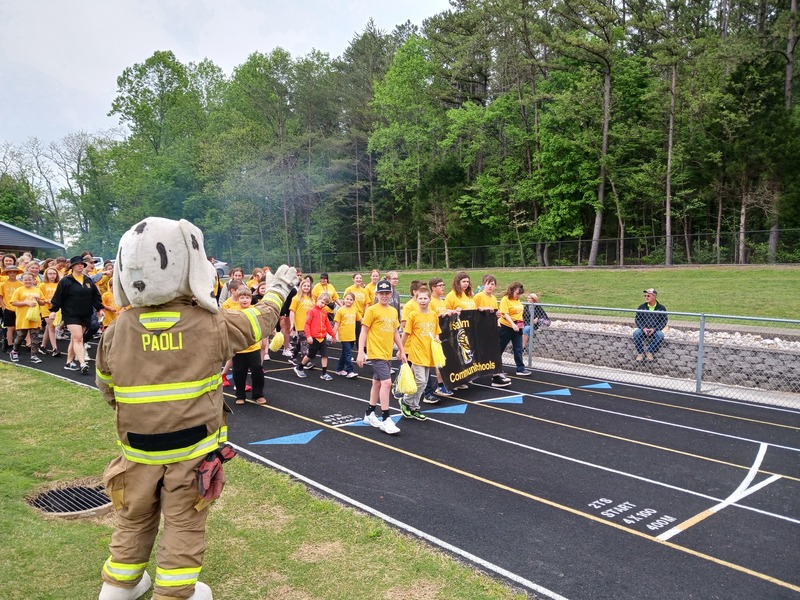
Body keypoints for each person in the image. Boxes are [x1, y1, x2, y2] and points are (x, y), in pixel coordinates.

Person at [95, 216, 297, 600]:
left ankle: (118, 587)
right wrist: (278, 290)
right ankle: (173, 593)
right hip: (192, 453)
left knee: (133, 518)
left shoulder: (115, 331)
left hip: (137, 451)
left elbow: (107, 388)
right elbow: (259, 323)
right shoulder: (210, 324)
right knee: (184, 523)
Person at [357, 279, 406, 435]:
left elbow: (394, 333)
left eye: (387, 293)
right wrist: (360, 352)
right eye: (381, 293)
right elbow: (363, 331)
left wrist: (402, 350)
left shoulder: (392, 311)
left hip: (387, 353)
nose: (384, 296)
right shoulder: (372, 310)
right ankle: (386, 418)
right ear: (376, 294)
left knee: (377, 383)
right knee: (387, 383)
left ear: (391, 294)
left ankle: (369, 413)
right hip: (376, 353)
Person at [50, 256, 103, 374]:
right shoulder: (66, 281)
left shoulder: (88, 280)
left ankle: (69, 362)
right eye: (78, 264)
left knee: (75, 339)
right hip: (71, 314)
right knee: (79, 338)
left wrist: (100, 308)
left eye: (82, 264)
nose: (80, 266)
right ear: (72, 266)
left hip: (85, 313)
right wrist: (53, 310)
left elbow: (95, 296)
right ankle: (82, 362)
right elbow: (58, 296)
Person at [399, 286, 440, 421]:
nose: (423, 301)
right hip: (416, 352)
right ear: (416, 300)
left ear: (430, 299)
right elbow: (406, 333)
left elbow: (436, 332)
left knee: (423, 382)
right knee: (421, 380)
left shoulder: (433, 315)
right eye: (420, 298)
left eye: (425, 298)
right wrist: (401, 349)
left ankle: (414, 407)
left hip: (429, 352)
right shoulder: (413, 315)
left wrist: (437, 339)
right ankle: (406, 401)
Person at [228, 287, 267, 405]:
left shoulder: (255, 310)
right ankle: (240, 395)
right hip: (239, 348)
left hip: (253, 347)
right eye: (242, 297)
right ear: (238, 299)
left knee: (257, 370)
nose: (244, 300)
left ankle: (258, 394)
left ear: (251, 298)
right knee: (239, 372)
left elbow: (263, 324)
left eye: (247, 297)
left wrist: (265, 337)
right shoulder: (233, 311)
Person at [475, 275, 512, 388]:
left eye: (492, 284)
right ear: (484, 285)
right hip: (480, 329)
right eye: (488, 283)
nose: (490, 286)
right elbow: (473, 311)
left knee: (494, 351)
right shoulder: (478, 297)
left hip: (492, 328)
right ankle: (478, 374)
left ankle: (496, 374)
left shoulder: (494, 298)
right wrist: (484, 310)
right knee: (479, 352)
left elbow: (495, 313)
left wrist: (498, 316)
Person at [296, 292, 337, 380]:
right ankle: (300, 367)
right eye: (322, 302)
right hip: (314, 338)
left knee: (325, 355)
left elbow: (328, 325)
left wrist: (333, 335)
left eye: (325, 304)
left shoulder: (324, 313)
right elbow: (307, 325)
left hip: (323, 338)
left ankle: (324, 373)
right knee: (310, 355)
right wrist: (309, 336)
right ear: (318, 299)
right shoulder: (311, 311)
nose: (323, 305)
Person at [8, 272, 46, 363]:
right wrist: (26, 303)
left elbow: (43, 302)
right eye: (26, 279)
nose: (28, 281)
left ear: (33, 280)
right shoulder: (19, 290)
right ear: (22, 280)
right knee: (21, 336)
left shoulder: (37, 290)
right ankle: (14, 351)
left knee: (35, 337)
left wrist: (38, 300)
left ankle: (34, 355)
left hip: (35, 317)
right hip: (23, 317)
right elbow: (13, 302)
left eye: (30, 279)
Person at [498, 281, 532, 377]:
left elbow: (519, 313)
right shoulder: (505, 299)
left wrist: (520, 324)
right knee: (500, 347)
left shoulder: (517, 300)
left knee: (518, 348)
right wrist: (512, 324)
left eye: (520, 294)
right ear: (512, 290)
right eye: (517, 293)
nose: (518, 296)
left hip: (518, 327)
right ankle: (497, 367)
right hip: (506, 327)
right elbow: (505, 314)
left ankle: (520, 368)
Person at [633, 288, 668, 362]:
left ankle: (650, 352)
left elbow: (664, 321)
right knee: (636, 333)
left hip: (655, 330)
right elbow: (637, 319)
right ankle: (641, 353)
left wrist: (655, 329)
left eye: (648, 296)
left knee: (660, 335)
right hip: (643, 329)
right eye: (645, 296)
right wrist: (643, 328)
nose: (646, 297)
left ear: (654, 296)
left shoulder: (661, 308)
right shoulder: (641, 307)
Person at [289, 275, 315, 365]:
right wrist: (292, 324)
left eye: (308, 286)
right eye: (304, 286)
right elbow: (292, 311)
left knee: (300, 341)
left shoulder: (313, 298)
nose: (306, 287)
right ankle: (306, 362)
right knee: (305, 342)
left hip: (311, 324)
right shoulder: (296, 298)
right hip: (301, 324)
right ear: (301, 287)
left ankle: (293, 355)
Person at [333, 291, 359, 377]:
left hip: (352, 335)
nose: (349, 301)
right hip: (344, 336)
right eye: (347, 299)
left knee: (344, 353)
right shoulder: (340, 311)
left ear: (353, 301)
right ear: (344, 299)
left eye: (351, 300)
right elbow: (336, 324)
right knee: (348, 354)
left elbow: (360, 319)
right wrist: (333, 335)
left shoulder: (354, 309)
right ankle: (350, 371)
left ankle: (339, 369)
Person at [40, 266, 61, 356]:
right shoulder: (43, 285)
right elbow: (40, 297)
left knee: (49, 327)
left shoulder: (59, 284)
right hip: (46, 308)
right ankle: (55, 349)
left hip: (56, 308)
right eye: (50, 274)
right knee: (52, 327)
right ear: (46, 275)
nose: (52, 276)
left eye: (54, 273)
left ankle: (43, 346)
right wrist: (46, 300)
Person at [1, 264, 22, 353]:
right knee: (10, 328)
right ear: (7, 273)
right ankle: (9, 345)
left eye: (14, 272)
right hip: (8, 308)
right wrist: (3, 306)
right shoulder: (3, 284)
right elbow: (1, 296)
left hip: (18, 308)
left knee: (17, 328)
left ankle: (14, 344)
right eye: (10, 272)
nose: (12, 274)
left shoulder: (20, 284)